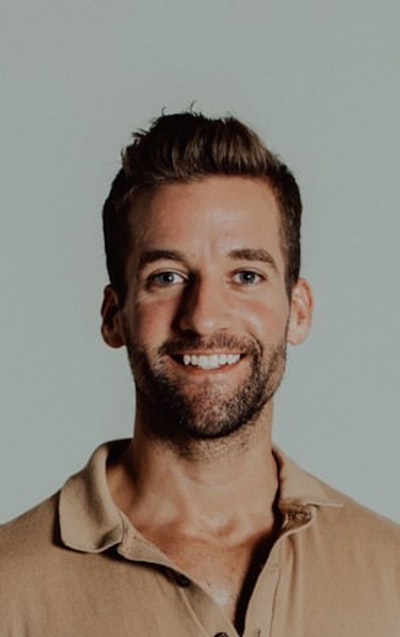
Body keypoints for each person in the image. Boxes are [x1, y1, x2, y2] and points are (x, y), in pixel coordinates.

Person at [1, 111, 399, 637]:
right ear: (114, 316)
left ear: (298, 311)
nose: (204, 318)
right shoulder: (8, 586)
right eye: (166, 277)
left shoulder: (391, 572)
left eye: (246, 276)